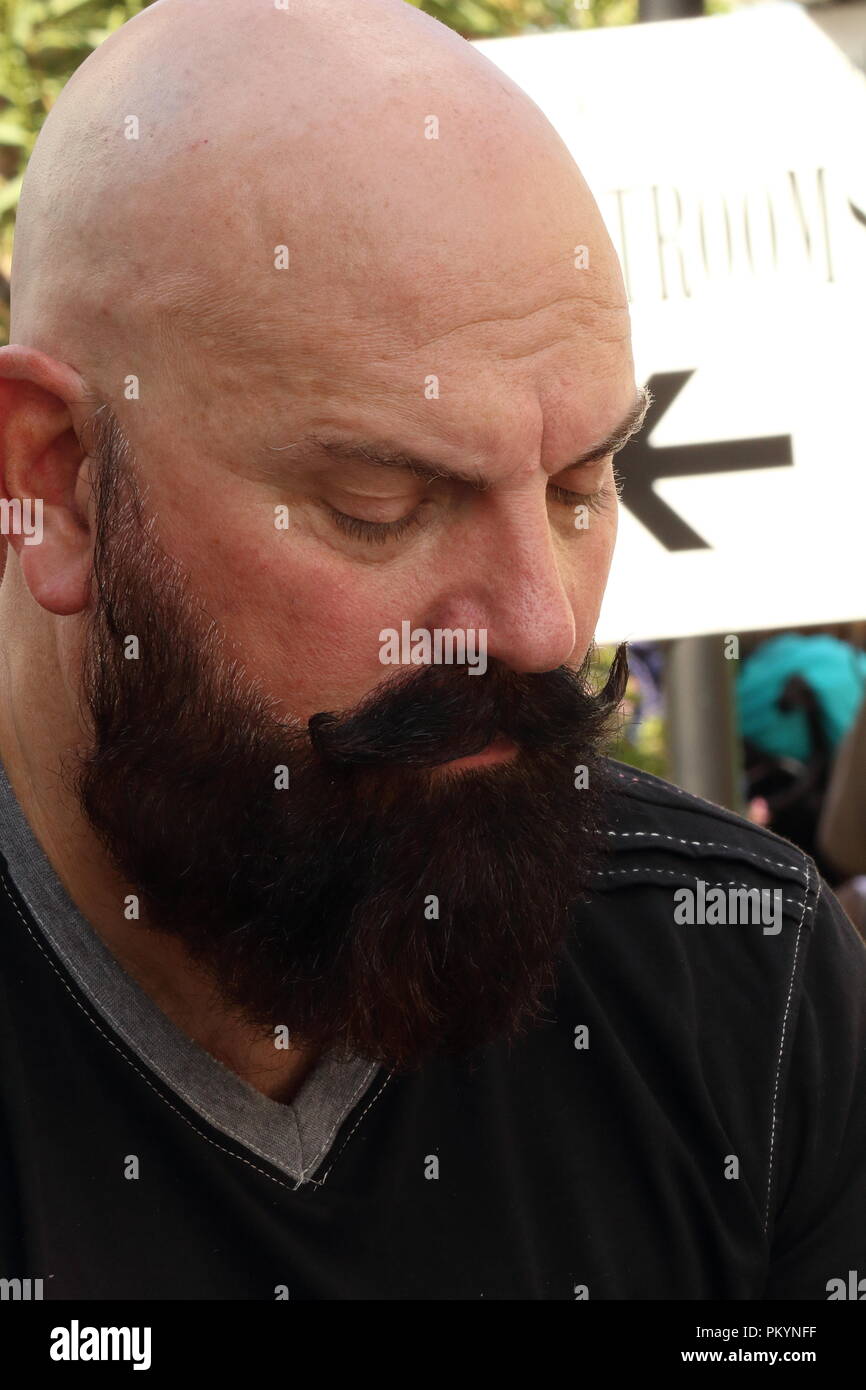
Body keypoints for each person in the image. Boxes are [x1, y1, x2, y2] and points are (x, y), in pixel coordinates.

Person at [0, 0, 863, 1301]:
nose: (540, 624)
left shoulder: (735, 982)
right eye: (381, 506)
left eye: (581, 485)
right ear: (56, 484)